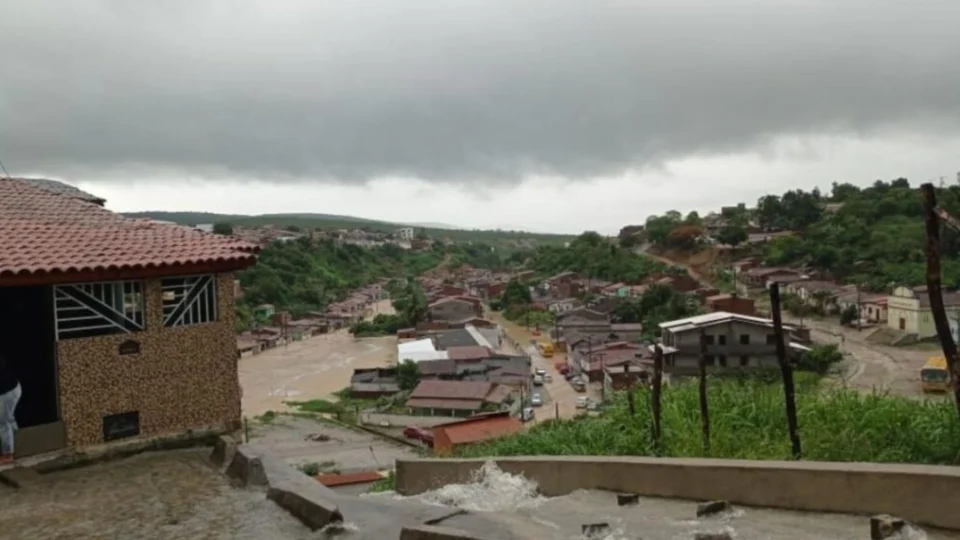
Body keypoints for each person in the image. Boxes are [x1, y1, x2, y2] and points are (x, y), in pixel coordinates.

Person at [0, 352, 21, 464]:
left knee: (3, 422)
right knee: (9, 418)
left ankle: (8, 455)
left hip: (8, 392)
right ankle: (20, 445)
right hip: (11, 389)